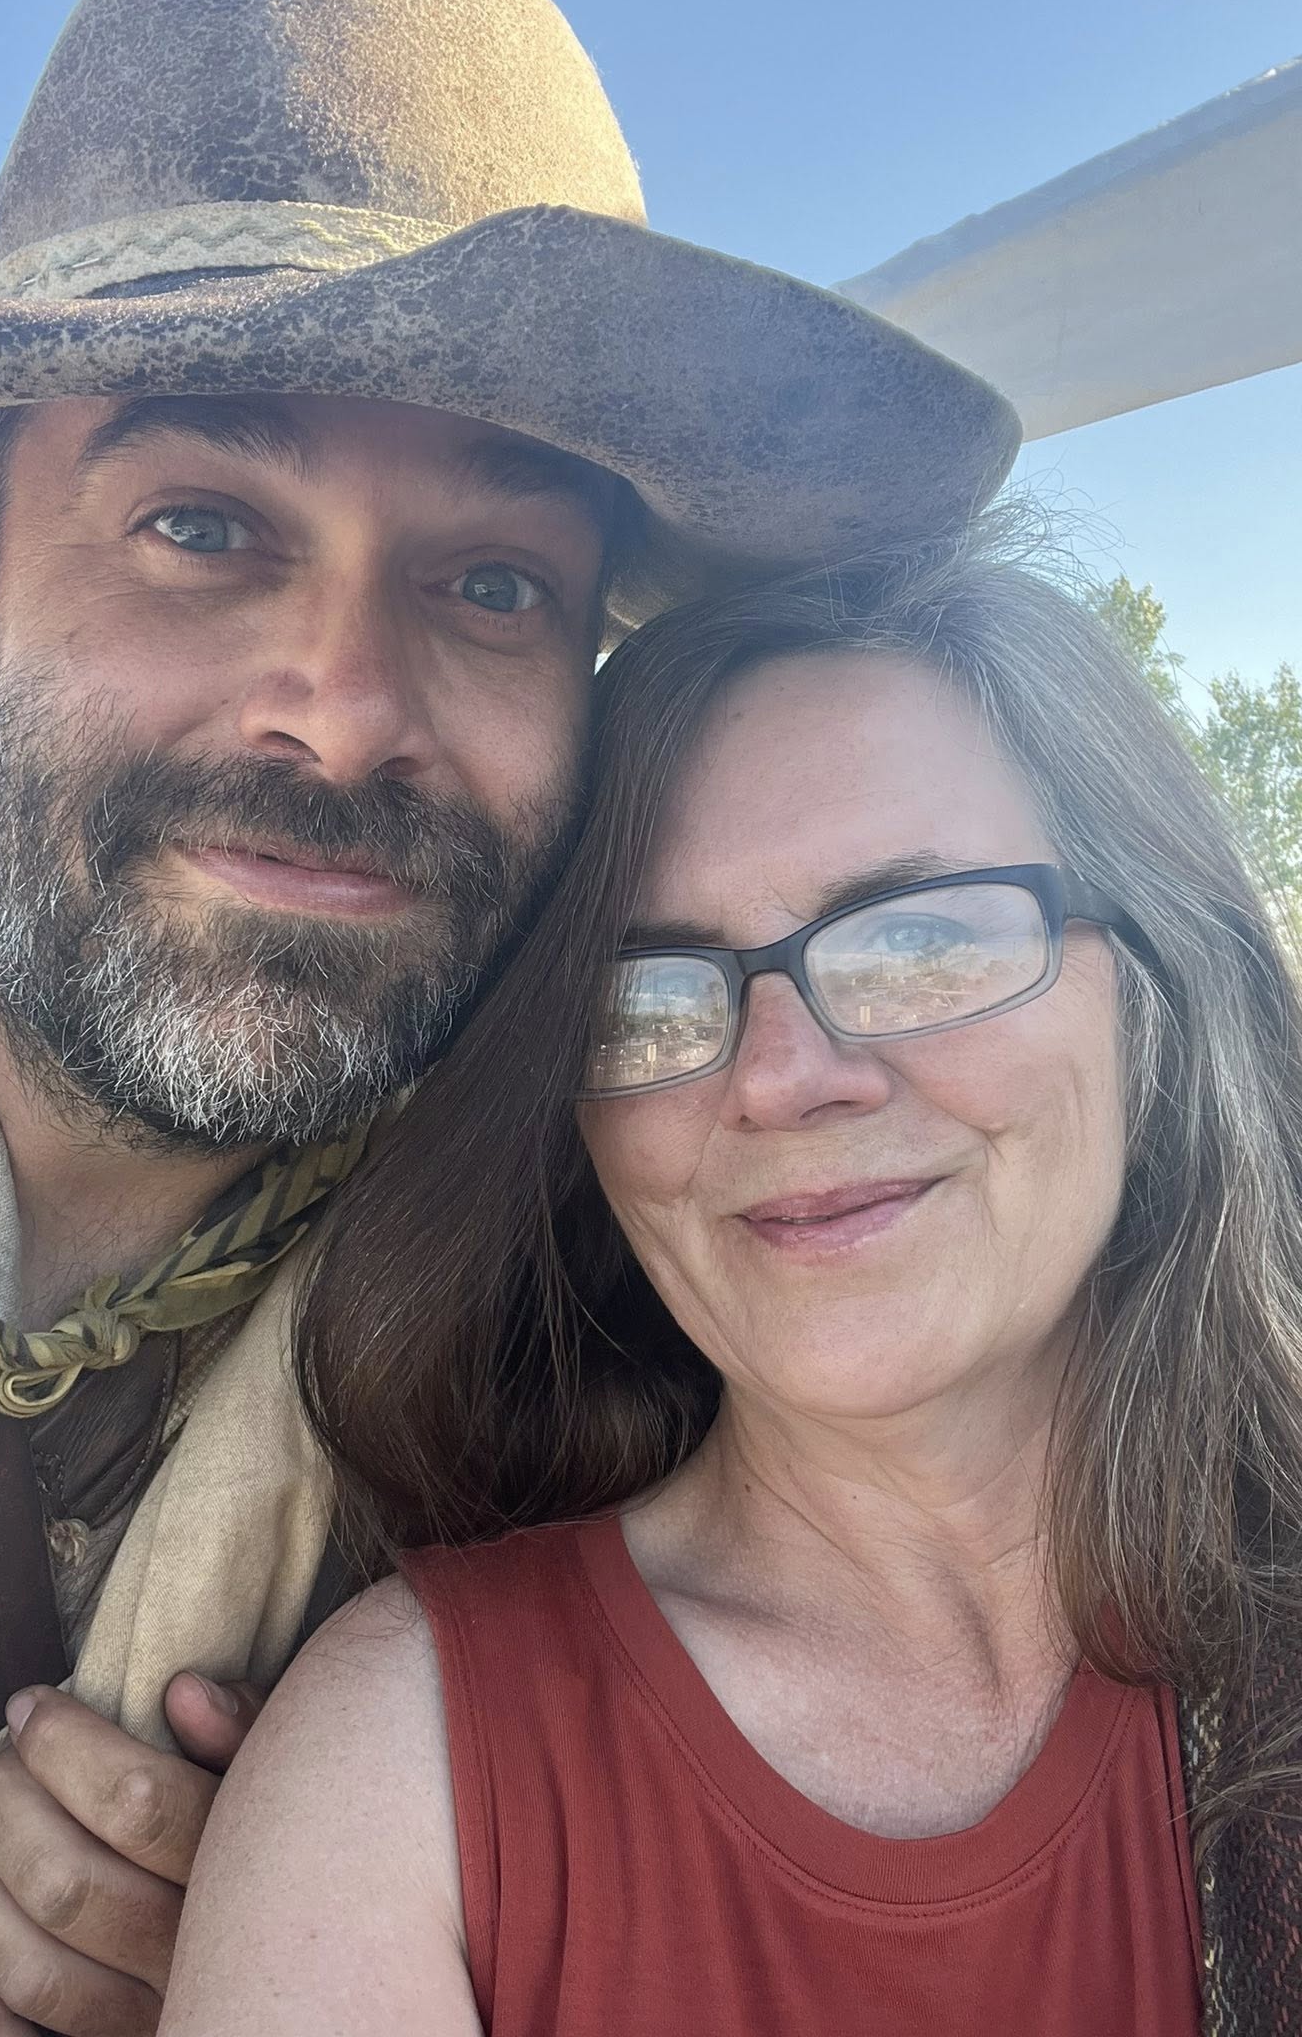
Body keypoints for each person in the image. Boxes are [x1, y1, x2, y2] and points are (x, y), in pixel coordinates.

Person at [0, 0, 1019, 2030]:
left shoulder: (648, 1295)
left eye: (494, 582)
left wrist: (316, 1920)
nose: (344, 713)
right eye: (200, 529)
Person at [163, 521, 1302, 2034]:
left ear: (1156, 983)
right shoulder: (408, 1773)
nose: (779, 1078)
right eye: (647, 996)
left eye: (917, 938)